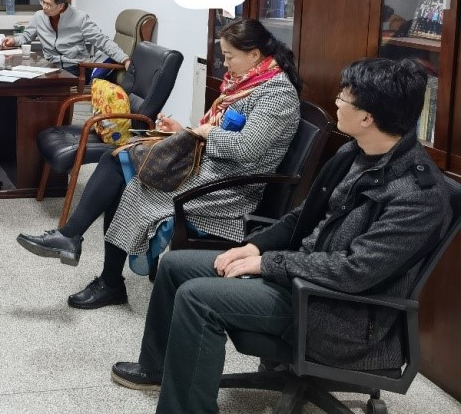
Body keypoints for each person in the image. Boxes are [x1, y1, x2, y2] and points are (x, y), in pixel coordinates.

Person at [109, 57, 450, 414]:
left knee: (199, 298)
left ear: (367, 117)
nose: (336, 101)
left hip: (341, 313)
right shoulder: (356, 152)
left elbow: (354, 271)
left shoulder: (417, 196)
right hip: (304, 277)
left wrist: (268, 264)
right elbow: (303, 216)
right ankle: (156, 369)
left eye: (344, 97)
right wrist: (255, 246)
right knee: (175, 266)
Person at [17, 18, 301, 310]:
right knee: (118, 160)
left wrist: (206, 133)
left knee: (129, 179)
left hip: (230, 189)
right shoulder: (247, 82)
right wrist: (184, 132)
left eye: (230, 57)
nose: (225, 65)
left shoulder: (276, 94)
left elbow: (247, 148)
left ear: (254, 54)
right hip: (212, 167)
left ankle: (94, 264)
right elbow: (224, 133)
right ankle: (84, 253)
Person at [0, 0, 130, 77]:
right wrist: (14, 40)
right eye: (43, 2)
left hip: (75, 68)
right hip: (50, 67)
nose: (44, 7)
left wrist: (125, 59)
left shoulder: (80, 18)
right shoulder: (39, 16)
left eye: (48, 4)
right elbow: (26, 36)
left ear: (61, 6)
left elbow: (102, 41)